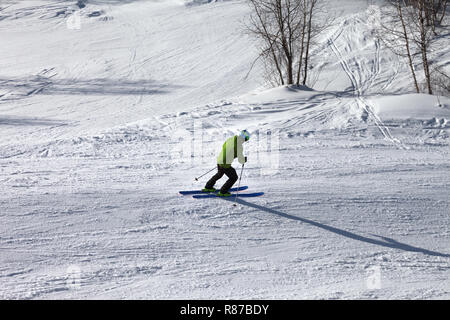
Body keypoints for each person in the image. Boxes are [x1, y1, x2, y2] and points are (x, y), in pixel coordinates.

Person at [203, 130, 250, 197]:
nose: (245, 141)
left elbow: (225, 147)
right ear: (244, 138)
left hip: (219, 160)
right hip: (225, 163)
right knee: (233, 177)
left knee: (219, 174)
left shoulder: (230, 139)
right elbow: (241, 160)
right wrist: (244, 160)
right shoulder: (239, 146)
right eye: (246, 139)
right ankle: (223, 191)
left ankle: (208, 187)